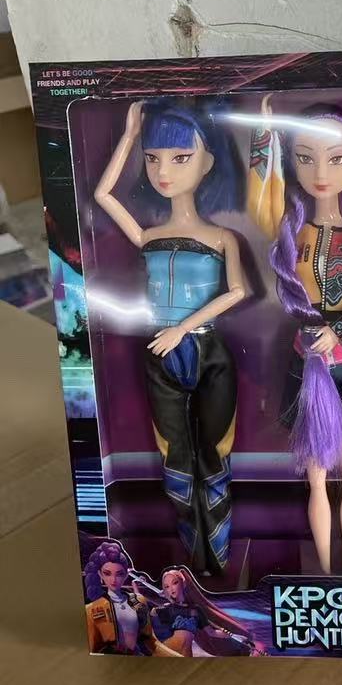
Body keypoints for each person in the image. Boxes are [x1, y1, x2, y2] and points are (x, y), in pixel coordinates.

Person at [248, 96, 342, 574]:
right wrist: (263, 135)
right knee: (315, 479)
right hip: (306, 357)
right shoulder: (289, 230)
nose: (320, 171)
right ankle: (329, 573)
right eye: (305, 157)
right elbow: (260, 199)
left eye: (336, 158)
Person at [93, 100, 247, 575]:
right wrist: (128, 136)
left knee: (215, 452)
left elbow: (239, 291)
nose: (163, 170)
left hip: (207, 350)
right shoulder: (148, 236)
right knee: (174, 457)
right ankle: (194, 561)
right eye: (153, 158)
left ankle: (220, 558)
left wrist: (182, 327)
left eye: (180, 158)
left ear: (208, 162)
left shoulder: (222, 237)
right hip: (161, 355)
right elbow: (102, 194)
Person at [84, 541, 180, 656]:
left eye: (119, 574)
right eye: (107, 573)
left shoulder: (138, 601)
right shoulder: (91, 609)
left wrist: (178, 658)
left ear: (126, 575)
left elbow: (152, 643)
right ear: (100, 574)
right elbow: (92, 652)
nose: (113, 580)